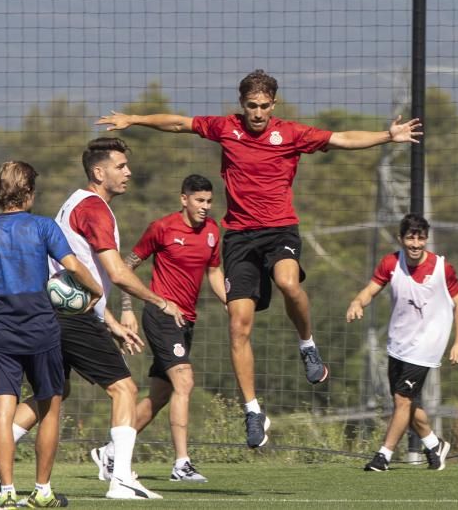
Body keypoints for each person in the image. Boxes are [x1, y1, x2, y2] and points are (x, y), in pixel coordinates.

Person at [97, 69, 422, 448]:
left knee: (288, 282)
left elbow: (342, 138)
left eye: (264, 107)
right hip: (239, 238)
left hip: (280, 231)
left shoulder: (291, 134)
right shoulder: (225, 128)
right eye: (251, 106)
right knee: (238, 324)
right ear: (242, 105)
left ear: (274, 104)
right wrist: (134, 119)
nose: (257, 113)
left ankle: (307, 345)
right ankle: (253, 410)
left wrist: (387, 135)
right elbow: (179, 124)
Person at [0, 138, 179, 501]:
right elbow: (108, 272)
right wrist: (160, 301)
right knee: (124, 389)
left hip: (47, 315)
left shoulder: (72, 203)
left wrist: (108, 319)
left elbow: (74, 275)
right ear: (99, 172)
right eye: (121, 166)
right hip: (66, 317)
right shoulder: (94, 209)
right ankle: (120, 477)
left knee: (53, 393)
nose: (128, 172)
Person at [0, 161, 103, 508]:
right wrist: (95, 290)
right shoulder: (43, 227)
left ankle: (7, 495)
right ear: (28, 193)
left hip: (2, 332)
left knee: (2, 411)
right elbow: (72, 266)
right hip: (41, 327)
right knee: (50, 405)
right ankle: (42, 491)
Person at [91, 174, 227, 484]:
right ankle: (181, 463)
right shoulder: (162, 228)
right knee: (185, 381)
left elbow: (215, 272)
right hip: (160, 314)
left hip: (186, 321)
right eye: (199, 201)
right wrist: (127, 311)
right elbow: (126, 267)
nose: (205, 207)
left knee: (160, 395)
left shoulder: (212, 232)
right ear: (184, 199)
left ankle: (110, 452)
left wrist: (230, 302)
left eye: (208, 201)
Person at [346, 213, 458, 473]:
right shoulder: (390, 263)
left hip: (426, 346)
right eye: (410, 238)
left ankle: (383, 456)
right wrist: (357, 302)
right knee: (406, 404)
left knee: (402, 400)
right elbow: (370, 290)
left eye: (420, 238)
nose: (415, 244)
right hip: (398, 344)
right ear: (401, 239)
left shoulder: (442, 268)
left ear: (426, 239)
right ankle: (434, 445)